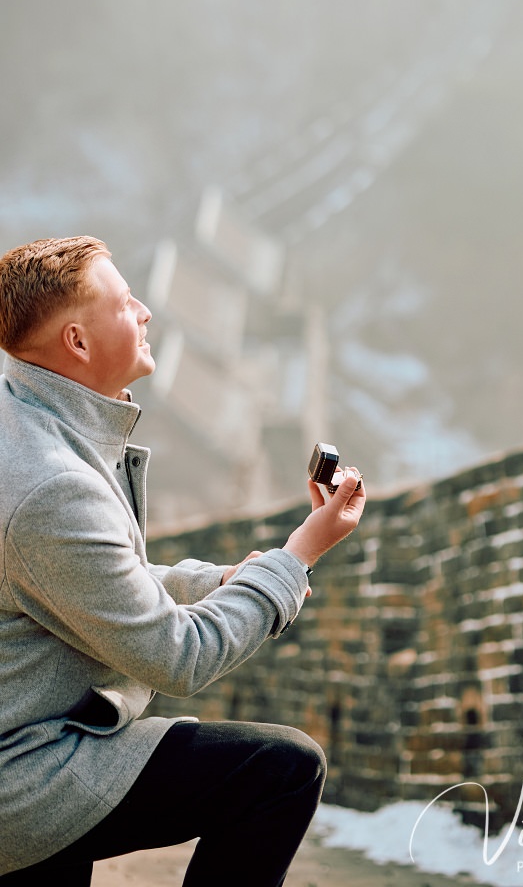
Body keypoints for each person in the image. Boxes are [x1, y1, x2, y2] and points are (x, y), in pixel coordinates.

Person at [0, 235, 366, 885]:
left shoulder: (31, 424)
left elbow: (89, 586)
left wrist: (222, 580)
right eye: (125, 301)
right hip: (26, 771)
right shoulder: (52, 485)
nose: (146, 311)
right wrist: (297, 556)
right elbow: (177, 656)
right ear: (78, 343)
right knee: (280, 770)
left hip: (37, 730)